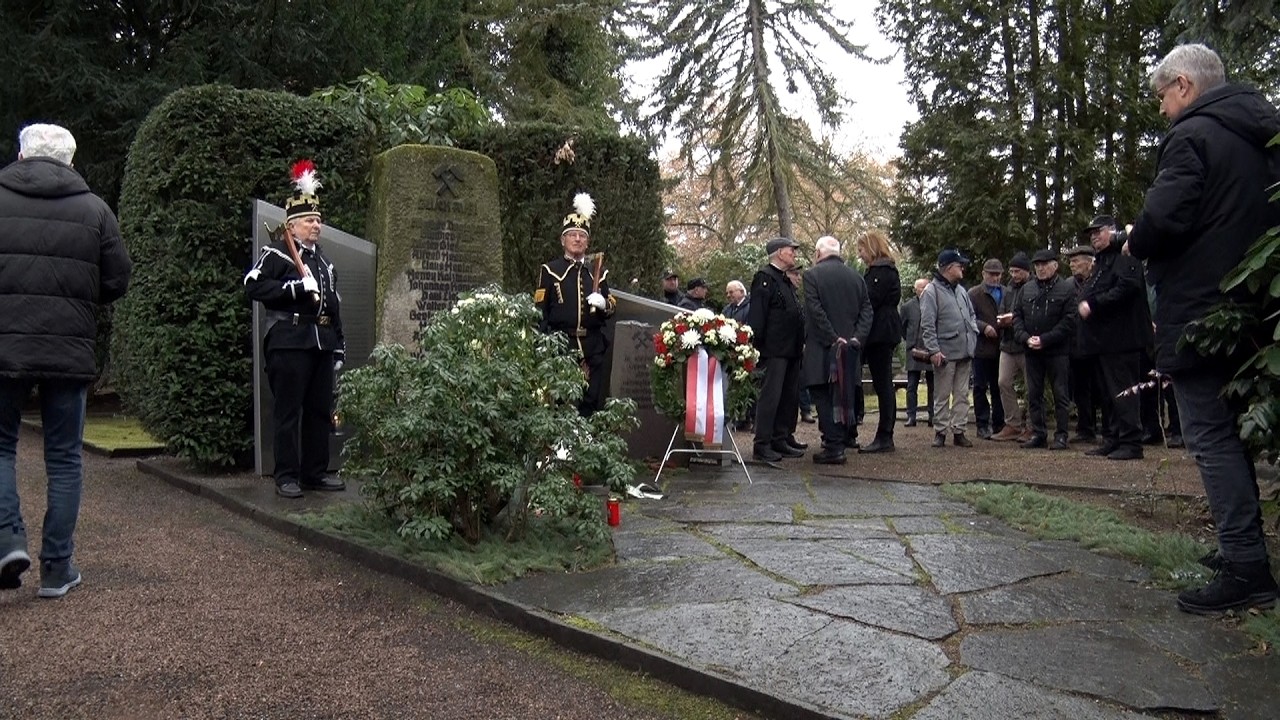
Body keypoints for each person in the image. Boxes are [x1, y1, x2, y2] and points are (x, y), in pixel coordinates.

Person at [1126, 43, 1280, 614]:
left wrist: (1133, 241)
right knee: (1233, 434)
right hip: (1251, 308)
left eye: (1163, 96)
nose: (1163, 108)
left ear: (1184, 86)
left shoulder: (1192, 136)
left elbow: (1163, 218)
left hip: (1200, 310)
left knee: (1210, 438)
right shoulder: (1260, 132)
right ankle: (1242, 551)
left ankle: (1247, 569)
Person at [0, 123, 132, 596]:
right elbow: (118, 279)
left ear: (21, 155)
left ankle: (5, 540)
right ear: (70, 161)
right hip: (67, 348)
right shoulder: (94, 209)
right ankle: (57, 568)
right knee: (63, 458)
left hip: (3, 347)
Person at [246, 160, 347, 499]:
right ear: (292, 225)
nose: (316, 225)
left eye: (318, 220)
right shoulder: (275, 254)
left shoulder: (324, 263)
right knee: (288, 412)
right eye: (309, 220)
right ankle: (286, 475)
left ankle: (315, 472)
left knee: (319, 410)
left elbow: (333, 305)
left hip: (320, 343)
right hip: (288, 342)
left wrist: (339, 345)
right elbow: (253, 286)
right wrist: (293, 289)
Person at [534, 193, 616, 418]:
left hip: (592, 348)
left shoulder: (597, 272)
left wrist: (603, 303)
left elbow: (611, 307)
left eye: (582, 235)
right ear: (563, 240)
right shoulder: (550, 270)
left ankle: (586, 448)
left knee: (590, 404)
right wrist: (542, 348)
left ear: (587, 241)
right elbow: (539, 312)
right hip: (562, 348)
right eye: (572, 235)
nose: (577, 239)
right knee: (561, 404)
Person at [1077, 215, 1151, 460]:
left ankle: (1131, 442)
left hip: (1122, 339)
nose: (1095, 237)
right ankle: (1112, 438)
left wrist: (1093, 304)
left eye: (1099, 231)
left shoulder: (1125, 254)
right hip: (1103, 341)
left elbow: (1128, 287)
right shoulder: (1101, 261)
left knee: (1123, 392)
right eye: (1092, 234)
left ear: (1113, 231)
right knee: (1108, 394)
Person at [801, 236, 873, 464]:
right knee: (845, 395)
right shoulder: (856, 277)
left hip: (823, 347)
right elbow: (867, 311)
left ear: (818, 253)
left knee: (822, 395)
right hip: (850, 349)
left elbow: (814, 309)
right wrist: (855, 338)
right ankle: (841, 440)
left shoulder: (811, 276)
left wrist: (833, 338)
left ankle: (833, 446)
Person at [748, 237, 807, 461]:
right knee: (771, 396)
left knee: (788, 396)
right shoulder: (765, 278)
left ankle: (781, 437)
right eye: (791, 250)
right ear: (779, 252)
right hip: (774, 349)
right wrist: (757, 345)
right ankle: (762, 443)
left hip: (791, 348)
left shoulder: (783, 279)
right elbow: (758, 315)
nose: (794, 254)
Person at [1013, 249, 1077, 451]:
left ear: (1055, 266)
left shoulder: (1066, 289)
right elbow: (1017, 316)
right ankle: (1039, 434)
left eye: (1044, 264)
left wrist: (1045, 339)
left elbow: (1069, 321)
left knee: (1060, 394)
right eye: (1037, 265)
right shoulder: (1027, 289)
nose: (1040, 268)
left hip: (1057, 351)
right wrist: (1025, 338)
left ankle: (1061, 435)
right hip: (1032, 351)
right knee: (1034, 394)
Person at [920, 249, 979, 448]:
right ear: (948, 268)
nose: (962, 267)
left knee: (962, 394)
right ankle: (941, 431)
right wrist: (934, 350)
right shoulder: (931, 291)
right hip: (944, 352)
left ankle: (959, 430)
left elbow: (971, 314)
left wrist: (973, 333)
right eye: (958, 264)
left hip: (965, 350)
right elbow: (927, 324)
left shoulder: (961, 290)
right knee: (942, 394)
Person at [855, 230, 903, 453]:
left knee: (883, 383)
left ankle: (885, 435)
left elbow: (869, 300)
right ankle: (885, 434)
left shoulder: (880, 272)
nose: (860, 255)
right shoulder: (887, 270)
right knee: (883, 383)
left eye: (862, 249)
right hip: (885, 330)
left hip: (879, 333)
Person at [1064, 245, 1104, 444]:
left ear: (1090, 262)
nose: (1072, 265)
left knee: (1102, 388)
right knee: (1080, 389)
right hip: (1076, 344)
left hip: (1099, 343)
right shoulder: (1068, 285)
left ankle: (1108, 429)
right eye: (1070, 262)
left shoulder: (1100, 280)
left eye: (1076, 261)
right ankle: (1085, 428)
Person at [992, 252, 1032, 441]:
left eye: (1017, 271)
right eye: (1012, 271)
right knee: (1003, 382)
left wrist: (1015, 319)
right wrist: (1002, 320)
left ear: (1026, 271)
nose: (1014, 275)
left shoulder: (1033, 288)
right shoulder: (1008, 291)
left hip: (1026, 345)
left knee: (1031, 386)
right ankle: (1013, 423)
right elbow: (1001, 312)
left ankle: (1032, 425)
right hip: (1007, 344)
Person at [969, 259, 1007, 439]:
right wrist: (984, 327)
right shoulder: (974, 294)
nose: (995, 277)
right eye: (991, 274)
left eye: (998, 274)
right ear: (983, 274)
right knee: (980, 387)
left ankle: (1000, 423)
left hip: (1002, 347)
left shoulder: (1006, 292)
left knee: (998, 387)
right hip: (982, 348)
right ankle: (982, 424)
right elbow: (969, 318)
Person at [900, 278, 934, 428]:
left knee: (933, 385)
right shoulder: (907, 306)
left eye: (927, 287)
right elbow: (902, 326)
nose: (925, 290)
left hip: (931, 349)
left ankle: (932, 415)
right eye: (922, 288)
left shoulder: (934, 304)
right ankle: (911, 415)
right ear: (916, 289)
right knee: (911, 385)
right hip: (913, 349)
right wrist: (910, 341)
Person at [724, 280, 753, 431]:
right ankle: (737, 417)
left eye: (731, 292)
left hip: (746, 351)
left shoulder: (751, 307)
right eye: (727, 293)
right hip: (731, 352)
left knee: (748, 385)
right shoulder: (727, 309)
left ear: (741, 292)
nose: (728, 295)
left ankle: (749, 418)